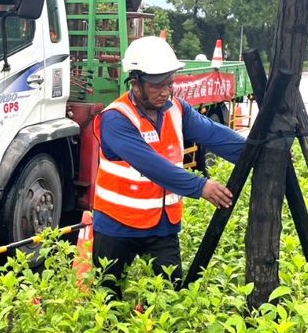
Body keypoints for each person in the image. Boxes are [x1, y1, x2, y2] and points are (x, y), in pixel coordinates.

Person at [92, 35, 246, 296]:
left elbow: (214, 135)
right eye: (157, 85)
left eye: (170, 83)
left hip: (162, 226)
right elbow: (151, 165)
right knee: (107, 301)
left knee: (171, 297)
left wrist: (258, 153)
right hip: (117, 226)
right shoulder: (116, 120)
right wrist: (200, 186)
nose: (166, 91)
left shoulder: (177, 109)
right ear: (136, 83)